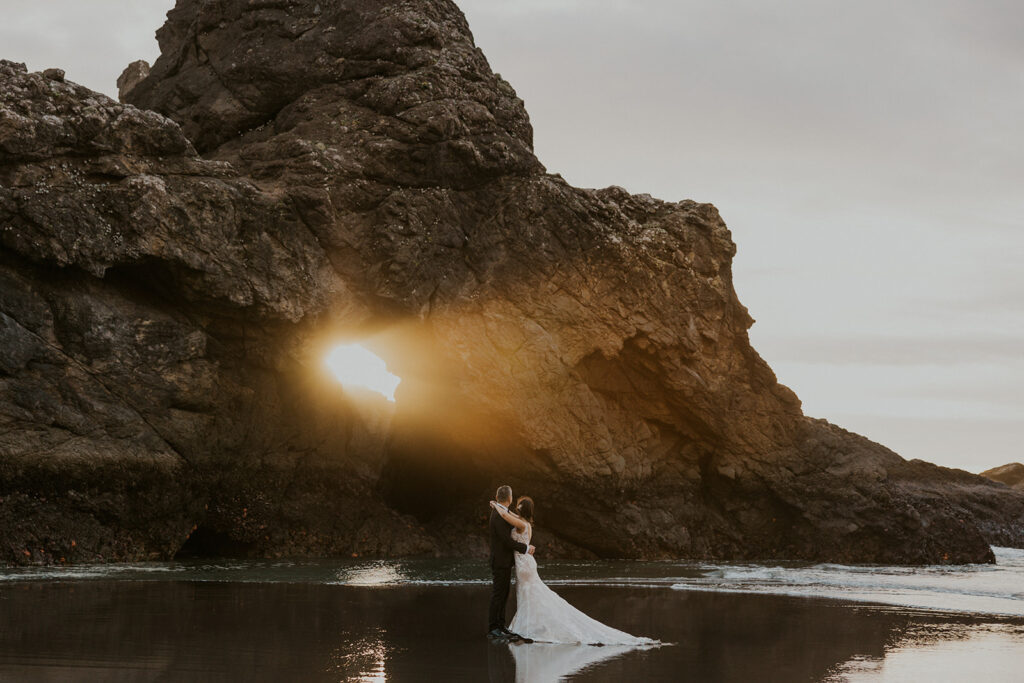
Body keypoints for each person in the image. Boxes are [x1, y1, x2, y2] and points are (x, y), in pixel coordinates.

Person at [490, 496, 658, 645]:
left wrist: (496, 505)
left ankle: (528, 627)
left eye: (517, 506)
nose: (514, 509)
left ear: (520, 510)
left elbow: (505, 515)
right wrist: (501, 507)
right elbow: (509, 515)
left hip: (524, 565)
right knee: (530, 595)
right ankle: (527, 625)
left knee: (529, 595)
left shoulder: (520, 524)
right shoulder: (526, 523)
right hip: (526, 563)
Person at [488, 485, 535, 641]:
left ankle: (501, 626)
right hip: (500, 561)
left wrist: (495, 505)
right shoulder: (497, 515)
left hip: (506, 561)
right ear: (509, 498)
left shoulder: (503, 512)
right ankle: (493, 628)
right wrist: (526, 548)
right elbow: (507, 541)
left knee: (504, 594)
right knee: (498, 594)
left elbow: (510, 516)